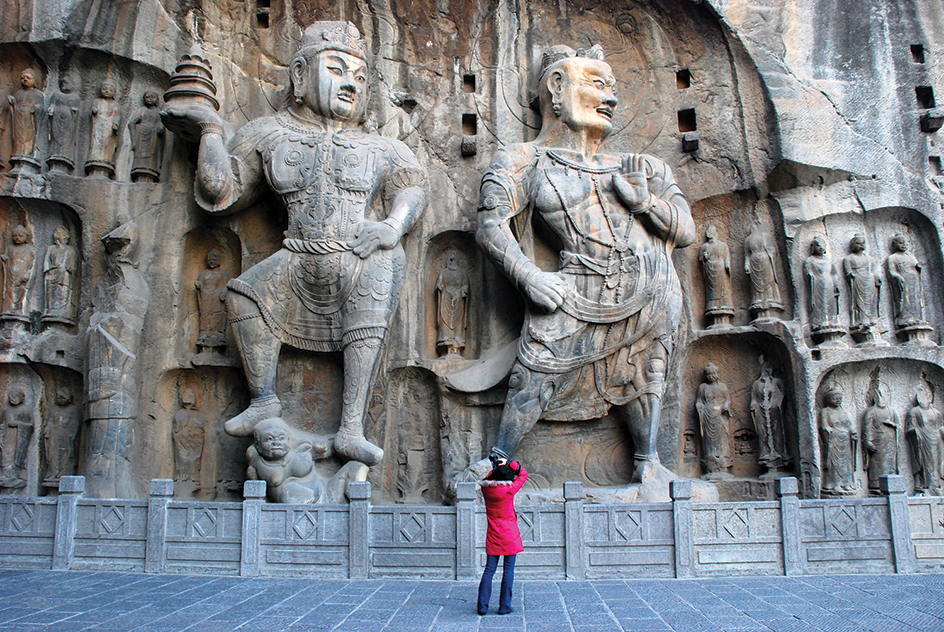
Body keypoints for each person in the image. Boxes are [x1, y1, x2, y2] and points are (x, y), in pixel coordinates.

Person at [162, 22, 427, 466]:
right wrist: (210, 129)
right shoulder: (269, 134)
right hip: (298, 255)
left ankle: (351, 429)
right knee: (243, 295)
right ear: (300, 75)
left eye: (360, 78)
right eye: (337, 69)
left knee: (385, 264)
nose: (350, 84)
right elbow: (217, 193)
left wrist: (393, 226)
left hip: (359, 258)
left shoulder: (382, 146)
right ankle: (264, 399)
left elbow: (412, 188)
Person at [474, 43, 695, 484]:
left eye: (613, 88)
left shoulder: (643, 166)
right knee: (535, 369)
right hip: (576, 282)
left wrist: (644, 201)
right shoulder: (524, 160)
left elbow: (684, 231)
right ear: (557, 86)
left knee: (645, 371)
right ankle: (497, 461)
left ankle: (648, 463)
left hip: (650, 284)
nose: (610, 98)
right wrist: (528, 274)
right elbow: (490, 225)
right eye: (597, 84)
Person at [478, 448, 528, 616]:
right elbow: (523, 474)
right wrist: (510, 463)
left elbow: (488, 478)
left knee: (489, 570)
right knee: (508, 570)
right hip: (510, 535)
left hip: (493, 534)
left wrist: (495, 466)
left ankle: (482, 606)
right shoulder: (509, 490)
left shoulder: (486, 490)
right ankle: (504, 606)